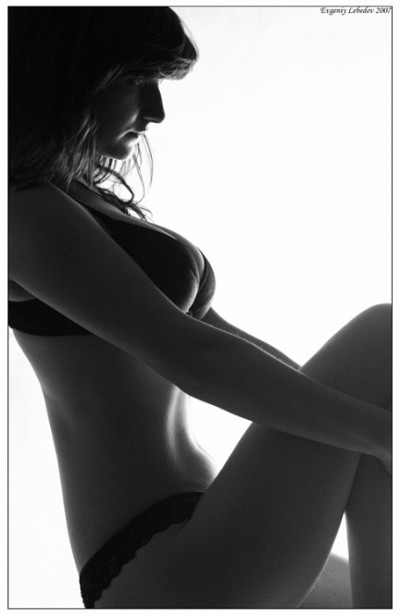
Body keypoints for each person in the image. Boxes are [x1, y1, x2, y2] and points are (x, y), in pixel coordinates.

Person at [8, 6, 392, 609]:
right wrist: (380, 433)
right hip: (161, 560)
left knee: (369, 409)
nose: (156, 110)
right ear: (69, 76)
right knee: (385, 337)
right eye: (138, 79)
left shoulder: (83, 202)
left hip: (208, 528)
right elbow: (195, 357)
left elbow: (227, 344)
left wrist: (371, 425)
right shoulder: (20, 211)